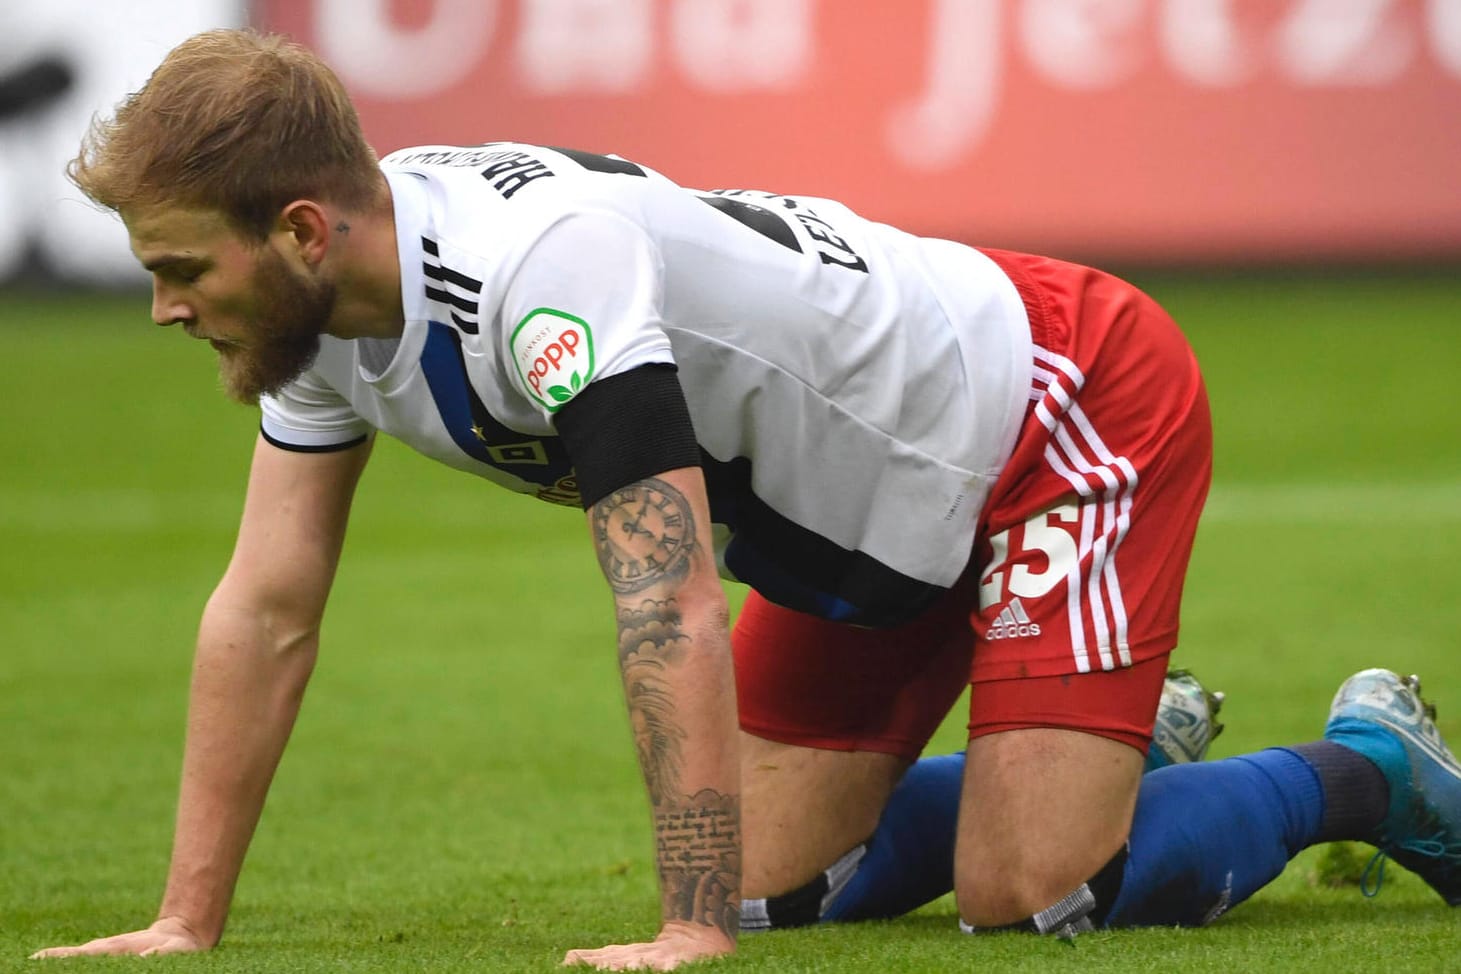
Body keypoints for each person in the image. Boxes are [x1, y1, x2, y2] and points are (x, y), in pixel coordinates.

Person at [33, 29, 1459, 970]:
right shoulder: (323, 316)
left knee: (1026, 896)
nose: (163, 308)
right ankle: (1108, 736)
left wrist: (684, 925)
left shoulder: (541, 283)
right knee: (788, 886)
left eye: (178, 269)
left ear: (295, 230)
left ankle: (1361, 769)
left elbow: (663, 591)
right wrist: (183, 919)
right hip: (854, 523)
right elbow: (268, 606)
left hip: (1049, 408)